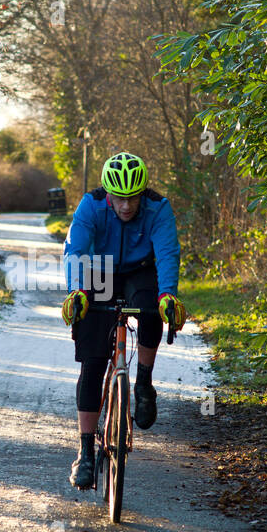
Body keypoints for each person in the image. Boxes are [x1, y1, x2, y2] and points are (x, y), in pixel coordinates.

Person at [60, 152, 186, 489]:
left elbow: (167, 252)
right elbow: (75, 250)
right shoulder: (91, 205)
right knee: (92, 364)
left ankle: (143, 383)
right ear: (108, 193)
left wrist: (168, 295)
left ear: (142, 193)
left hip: (140, 272)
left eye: (132, 198)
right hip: (98, 271)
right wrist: (78, 292)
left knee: (150, 309)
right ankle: (85, 453)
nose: (126, 206)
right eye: (119, 198)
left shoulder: (158, 207)